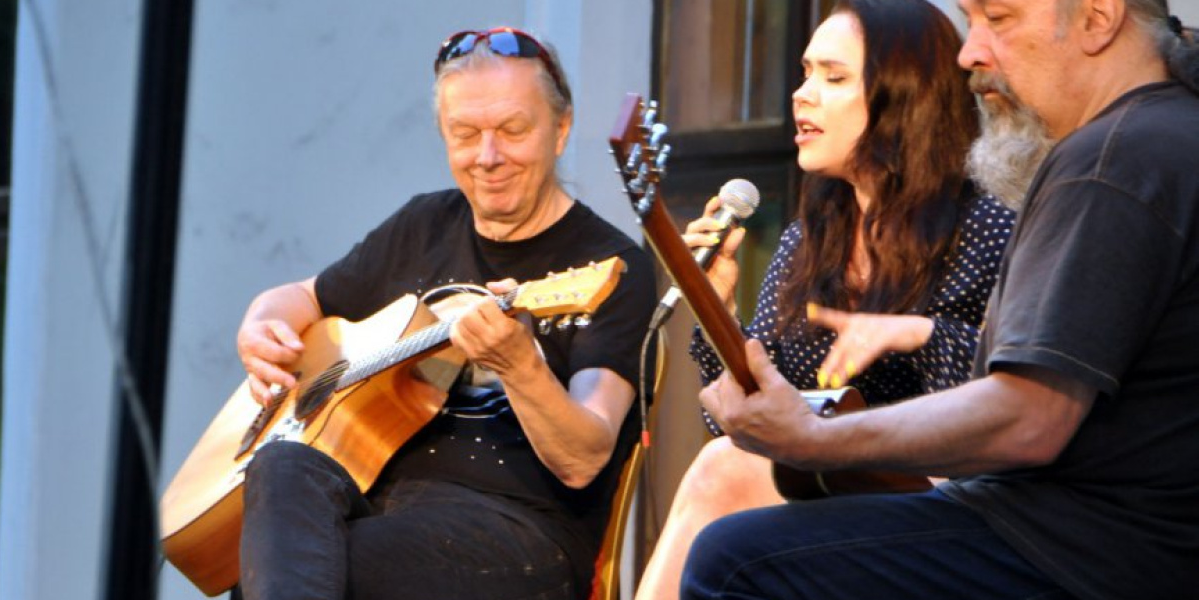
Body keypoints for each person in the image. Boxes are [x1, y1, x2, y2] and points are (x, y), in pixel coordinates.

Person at [684, 0, 1199, 599]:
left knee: (737, 560)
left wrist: (814, 439)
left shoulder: (1110, 159)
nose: (970, 53)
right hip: (1095, 538)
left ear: (1098, 17)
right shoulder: (1162, 133)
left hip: (1084, 549)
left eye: (998, 20)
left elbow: (1032, 417)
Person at [232, 27, 656, 600]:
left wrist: (520, 366)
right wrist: (260, 324)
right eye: (465, 134)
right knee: (281, 466)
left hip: (517, 533)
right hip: (380, 502)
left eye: (512, 130)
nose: (487, 157)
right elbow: (303, 296)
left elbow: (585, 456)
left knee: (295, 565)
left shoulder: (610, 268)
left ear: (561, 129)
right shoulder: (422, 225)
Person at [632, 2, 1015, 598]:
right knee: (724, 465)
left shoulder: (987, 226)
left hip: (958, 509)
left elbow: (1017, 395)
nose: (801, 95)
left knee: (722, 473)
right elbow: (738, 422)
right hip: (832, 492)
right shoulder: (812, 236)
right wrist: (719, 315)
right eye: (805, 72)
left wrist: (917, 333)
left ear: (903, 96)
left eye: (832, 77)